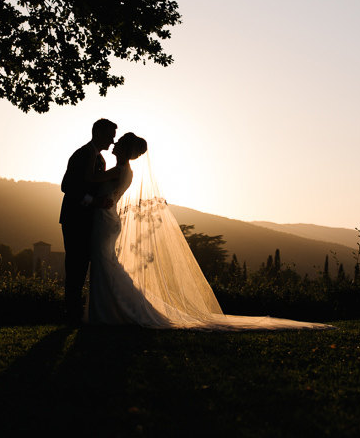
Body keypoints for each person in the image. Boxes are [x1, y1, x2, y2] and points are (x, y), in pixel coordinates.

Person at [86, 132, 334, 331]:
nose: (114, 143)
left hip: (106, 220)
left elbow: (88, 180)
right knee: (106, 264)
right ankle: (111, 310)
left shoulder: (120, 170)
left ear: (126, 149)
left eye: (119, 141)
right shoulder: (124, 171)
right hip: (107, 219)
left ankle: (113, 311)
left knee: (104, 263)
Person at [59, 118, 118, 324]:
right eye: (110, 135)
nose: (113, 140)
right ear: (98, 133)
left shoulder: (100, 159)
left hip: (91, 221)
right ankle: (72, 313)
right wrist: (94, 202)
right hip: (75, 219)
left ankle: (81, 310)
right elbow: (67, 186)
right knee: (76, 265)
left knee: (85, 264)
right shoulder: (81, 154)